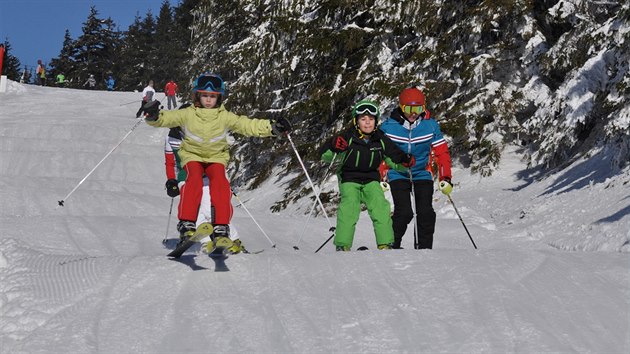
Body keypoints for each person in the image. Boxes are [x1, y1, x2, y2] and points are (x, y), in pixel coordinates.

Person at [144, 73, 292, 251]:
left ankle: (222, 227)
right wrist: (154, 116)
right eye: (205, 95)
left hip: (215, 158)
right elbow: (168, 118)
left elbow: (247, 125)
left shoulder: (225, 116)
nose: (208, 100)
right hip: (193, 156)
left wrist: (272, 127)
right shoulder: (187, 114)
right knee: (194, 181)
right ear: (197, 95)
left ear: (219, 97)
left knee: (221, 184)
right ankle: (187, 224)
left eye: (212, 96)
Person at [320, 100, 414, 251]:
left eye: (371, 119)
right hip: (349, 178)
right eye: (363, 119)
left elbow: (393, 157)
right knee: (349, 207)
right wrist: (333, 146)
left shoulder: (380, 138)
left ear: (376, 121)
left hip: (371, 179)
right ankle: (343, 245)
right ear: (356, 121)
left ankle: (385, 244)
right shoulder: (347, 137)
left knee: (380, 207)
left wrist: (405, 162)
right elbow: (326, 156)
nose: (367, 123)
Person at [379, 87, 453, 249]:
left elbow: (442, 153)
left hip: (421, 173)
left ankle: (424, 249)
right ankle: (390, 244)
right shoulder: (388, 127)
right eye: (409, 109)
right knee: (404, 212)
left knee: (425, 213)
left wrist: (445, 177)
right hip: (398, 173)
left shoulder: (430, 126)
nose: (413, 114)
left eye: (418, 109)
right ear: (401, 107)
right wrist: (381, 176)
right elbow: (381, 154)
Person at [163, 123, 246, 254]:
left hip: (206, 177)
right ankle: (206, 242)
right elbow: (170, 162)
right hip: (185, 177)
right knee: (194, 211)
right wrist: (171, 180)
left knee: (212, 210)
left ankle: (233, 240)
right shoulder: (171, 138)